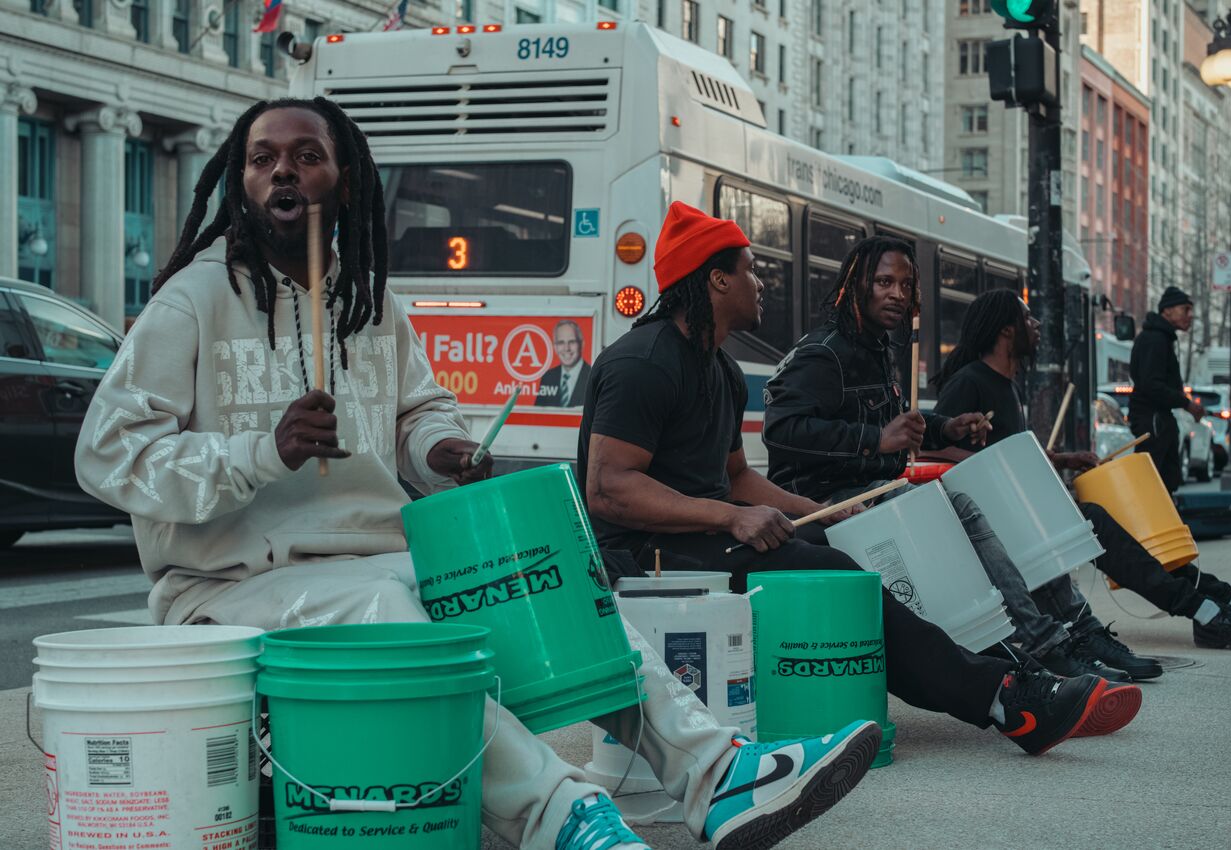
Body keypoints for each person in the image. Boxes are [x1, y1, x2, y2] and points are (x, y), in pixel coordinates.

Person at [72, 98, 882, 850]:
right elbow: (107, 457)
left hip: (371, 560)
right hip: (224, 586)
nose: (281, 170)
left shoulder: (371, 306)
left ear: (343, 179)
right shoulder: (193, 300)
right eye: (261, 159)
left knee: (548, 576)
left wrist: (444, 454)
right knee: (385, 606)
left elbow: (419, 417)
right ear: (242, 183)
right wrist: (263, 452)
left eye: (306, 155)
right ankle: (560, 816)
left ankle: (716, 775)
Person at [579, 201, 1141, 756]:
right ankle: (1006, 699)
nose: (759, 282)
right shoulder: (645, 362)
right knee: (838, 574)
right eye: (750, 269)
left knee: (846, 544)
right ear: (717, 280)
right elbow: (609, 489)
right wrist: (731, 516)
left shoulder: (720, 368)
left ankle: (1014, 669)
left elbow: (737, 477)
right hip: (644, 552)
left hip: (703, 536)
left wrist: (808, 510)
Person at [762, 236, 1146, 682]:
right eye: (885, 281)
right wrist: (875, 439)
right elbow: (782, 430)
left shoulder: (877, 348)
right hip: (827, 499)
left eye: (906, 285)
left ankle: (1061, 633)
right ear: (857, 284)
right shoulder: (824, 351)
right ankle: (1041, 645)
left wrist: (947, 427)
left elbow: (895, 422)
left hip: (872, 490)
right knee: (957, 508)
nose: (898, 294)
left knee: (985, 501)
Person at [932, 289, 1231, 651]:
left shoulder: (1006, 384)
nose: (1036, 325)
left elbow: (1008, 451)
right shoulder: (969, 381)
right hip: (997, 524)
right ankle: (1207, 611)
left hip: (1022, 512)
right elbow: (933, 447)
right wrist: (988, 465)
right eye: (1027, 318)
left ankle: (1222, 601)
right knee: (1094, 522)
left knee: (1128, 529)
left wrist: (1064, 458)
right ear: (1006, 330)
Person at [1129, 286, 1206, 492]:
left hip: (1160, 420)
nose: (1190, 316)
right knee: (1152, 483)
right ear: (1167, 310)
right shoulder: (1155, 340)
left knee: (1165, 481)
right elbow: (1151, 385)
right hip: (1153, 421)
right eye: (1185, 309)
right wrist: (1186, 404)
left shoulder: (1161, 338)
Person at [536, 319, 592, 407]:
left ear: (582, 344)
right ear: (555, 347)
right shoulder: (548, 377)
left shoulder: (592, 375)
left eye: (572, 342)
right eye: (561, 342)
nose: (566, 348)